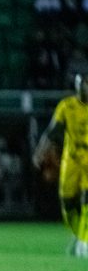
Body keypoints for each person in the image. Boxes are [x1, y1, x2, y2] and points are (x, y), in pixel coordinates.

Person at [33, 73, 88, 257]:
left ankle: (85, 239)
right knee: (68, 202)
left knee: (86, 199)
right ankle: (77, 234)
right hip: (71, 160)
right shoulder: (67, 106)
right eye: (84, 84)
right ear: (77, 86)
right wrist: (40, 151)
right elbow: (51, 131)